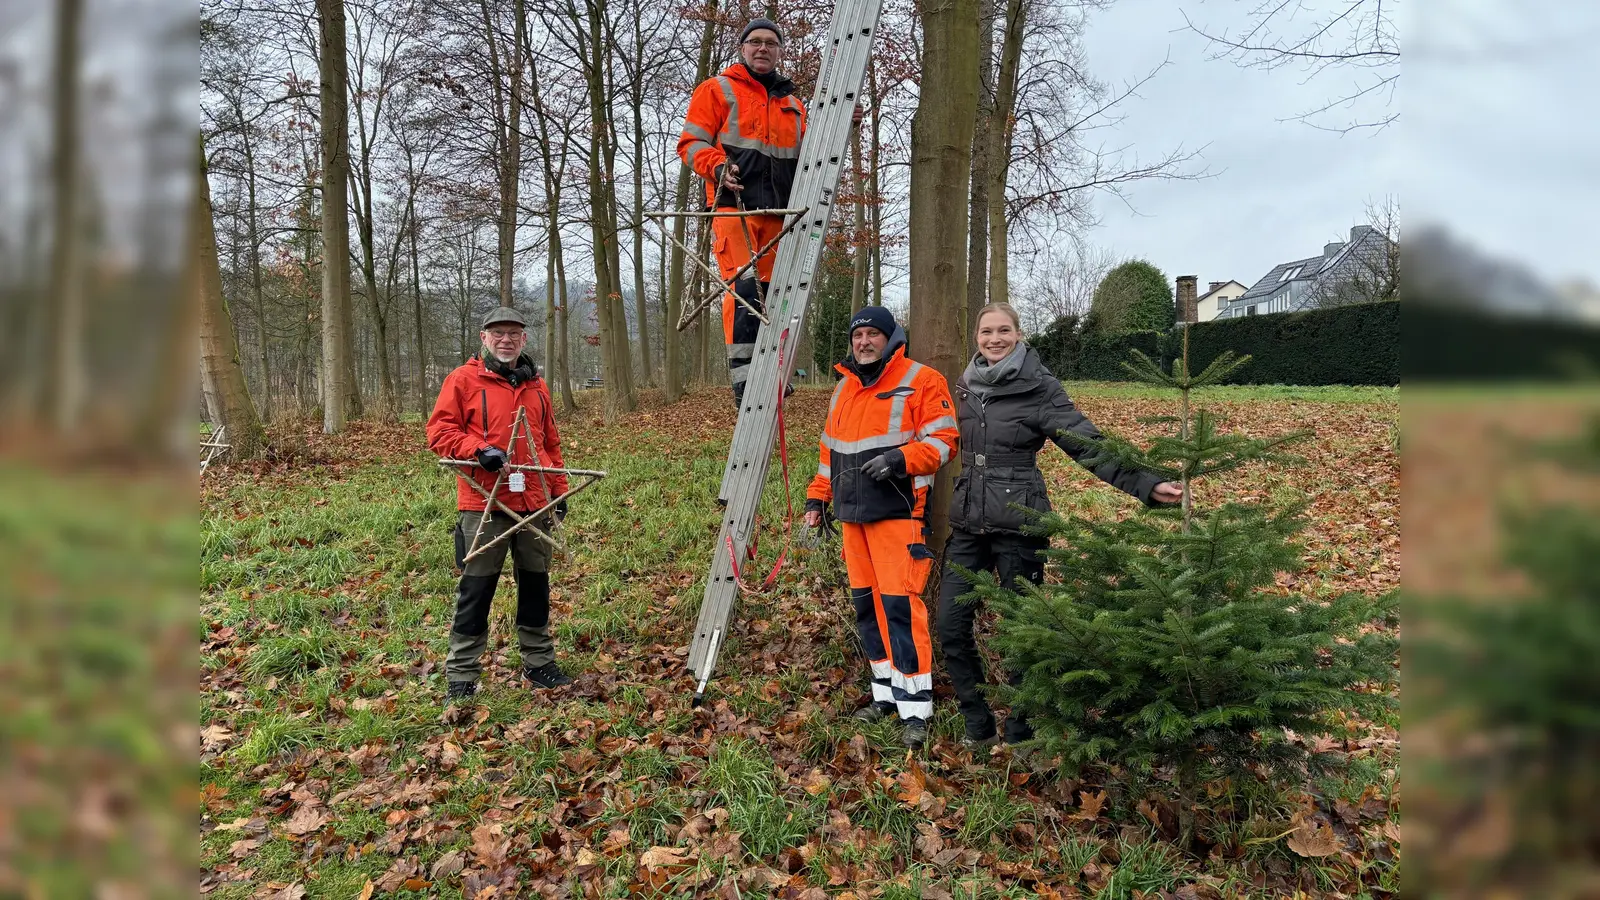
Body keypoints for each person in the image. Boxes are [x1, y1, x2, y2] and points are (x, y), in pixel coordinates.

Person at [937, 302, 1183, 746]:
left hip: (1020, 522)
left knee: (1024, 634)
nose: (994, 339)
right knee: (950, 626)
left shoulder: (1039, 386)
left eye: (1004, 331)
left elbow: (1085, 441)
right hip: (968, 523)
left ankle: (1020, 732)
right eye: (986, 332)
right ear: (976, 337)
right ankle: (978, 722)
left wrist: (1145, 484)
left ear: (1018, 334)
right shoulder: (966, 385)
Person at [804, 306, 960, 750]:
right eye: (858, 336)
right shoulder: (843, 390)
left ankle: (917, 708)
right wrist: (818, 497)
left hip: (898, 514)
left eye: (874, 334)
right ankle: (885, 696)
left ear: (892, 338)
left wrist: (899, 459)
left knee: (901, 610)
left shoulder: (922, 379)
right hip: (852, 520)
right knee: (867, 609)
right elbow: (828, 453)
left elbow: (945, 441)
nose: (864, 342)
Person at [426, 307, 574, 703]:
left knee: (536, 586)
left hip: (534, 502)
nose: (505, 339)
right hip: (483, 503)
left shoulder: (537, 386)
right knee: (476, 588)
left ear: (523, 339)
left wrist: (557, 492)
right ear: (484, 337)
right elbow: (439, 432)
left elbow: (549, 444)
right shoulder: (462, 380)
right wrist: (477, 451)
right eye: (498, 333)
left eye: (513, 333)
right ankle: (461, 672)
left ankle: (539, 662)